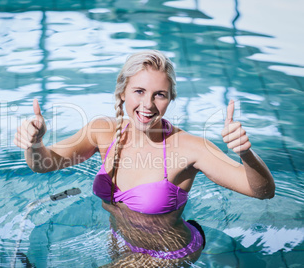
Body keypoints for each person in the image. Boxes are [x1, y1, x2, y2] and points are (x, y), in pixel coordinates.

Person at [14, 50, 275, 267]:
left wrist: (246, 154)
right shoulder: (103, 132)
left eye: (159, 94)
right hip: (123, 243)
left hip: (169, 251)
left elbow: (261, 191)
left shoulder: (190, 148)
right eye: (139, 91)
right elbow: (42, 164)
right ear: (122, 93)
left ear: (171, 98)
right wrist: (35, 142)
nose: (148, 105)